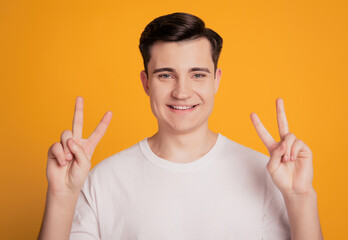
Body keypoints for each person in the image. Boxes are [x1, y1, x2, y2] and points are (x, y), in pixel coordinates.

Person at [38, 12, 323, 240]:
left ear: (217, 81)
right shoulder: (103, 181)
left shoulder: (268, 174)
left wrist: (300, 198)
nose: (182, 92)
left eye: (197, 74)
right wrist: (61, 197)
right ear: (146, 83)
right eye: (166, 75)